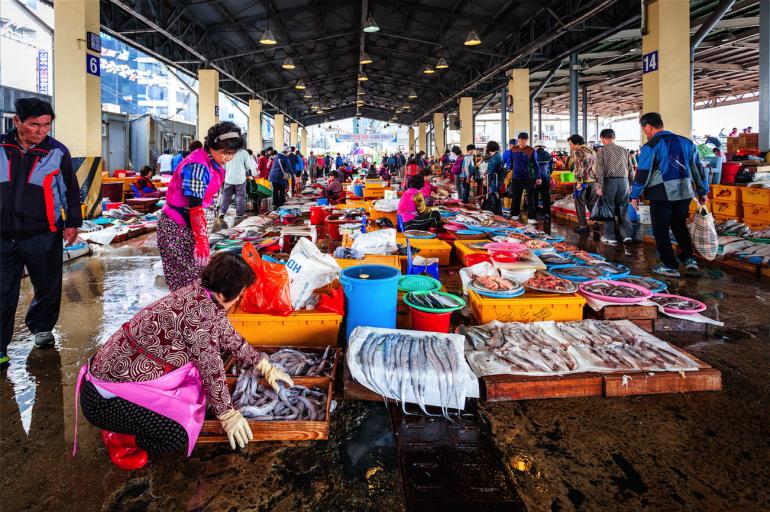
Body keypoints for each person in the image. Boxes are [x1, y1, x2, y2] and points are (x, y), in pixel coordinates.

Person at [75, 253, 294, 469]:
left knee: (196, 393)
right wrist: (227, 414)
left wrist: (262, 365)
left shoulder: (201, 293)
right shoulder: (197, 317)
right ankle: (120, 438)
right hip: (102, 400)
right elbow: (212, 368)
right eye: (239, 295)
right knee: (176, 435)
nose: (240, 299)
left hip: (113, 375)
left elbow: (225, 333)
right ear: (221, 294)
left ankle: (126, 424)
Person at [0, 97, 82, 365]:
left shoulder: (57, 152)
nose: (41, 131)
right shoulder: (1, 146)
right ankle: (0, 347)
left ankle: (42, 328)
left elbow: (70, 190)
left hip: (43, 232)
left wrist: (73, 222)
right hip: (3, 235)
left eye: (46, 125)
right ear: (17, 121)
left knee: (47, 284)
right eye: (34, 125)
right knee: (2, 291)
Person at [157, 121, 242, 292]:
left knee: (197, 278)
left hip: (191, 229)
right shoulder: (198, 166)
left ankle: (194, 314)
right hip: (178, 230)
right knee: (187, 283)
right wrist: (201, 240)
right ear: (212, 146)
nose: (228, 158)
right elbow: (195, 206)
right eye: (225, 153)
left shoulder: (212, 162)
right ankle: (188, 316)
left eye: (232, 153)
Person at [632, 112, 708, 277]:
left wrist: (634, 195)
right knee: (679, 225)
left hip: (661, 194)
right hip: (684, 192)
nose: (645, 132)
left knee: (661, 230)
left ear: (648, 127)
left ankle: (669, 265)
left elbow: (643, 172)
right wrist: (703, 191)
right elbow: (698, 169)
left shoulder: (651, 145)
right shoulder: (687, 142)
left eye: (644, 129)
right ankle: (689, 260)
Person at [595, 129, 633, 245]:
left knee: (609, 208)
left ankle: (610, 236)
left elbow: (600, 171)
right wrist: (631, 184)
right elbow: (630, 169)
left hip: (609, 182)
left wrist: (599, 186)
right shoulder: (624, 150)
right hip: (624, 182)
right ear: (613, 137)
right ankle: (627, 236)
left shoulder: (601, 152)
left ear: (603, 138)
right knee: (624, 207)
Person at [503, 133, 537, 224]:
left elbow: (535, 165)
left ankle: (531, 217)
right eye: (521, 140)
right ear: (518, 140)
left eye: (525, 140)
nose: (523, 142)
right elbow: (511, 163)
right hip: (516, 177)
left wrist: (538, 177)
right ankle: (515, 214)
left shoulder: (531, 150)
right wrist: (510, 173)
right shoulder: (513, 149)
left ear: (527, 140)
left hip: (529, 177)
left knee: (530, 198)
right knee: (516, 196)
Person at [567, 134, 597, 234]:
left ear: (577, 143)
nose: (570, 146)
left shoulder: (578, 151)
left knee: (579, 203)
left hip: (582, 182)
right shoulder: (591, 150)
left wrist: (579, 183)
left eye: (571, 144)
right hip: (593, 181)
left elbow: (579, 168)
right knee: (591, 202)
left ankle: (583, 226)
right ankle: (595, 222)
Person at [218, 147, 256, 220]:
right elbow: (248, 166)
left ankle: (222, 212)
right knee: (240, 196)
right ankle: (239, 214)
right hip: (240, 179)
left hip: (229, 178)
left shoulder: (227, 151)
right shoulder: (244, 153)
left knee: (226, 196)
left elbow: (223, 166)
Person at [532, 141, 554, 221]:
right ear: (543, 147)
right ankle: (547, 214)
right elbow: (551, 169)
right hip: (545, 179)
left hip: (535, 178)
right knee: (546, 197)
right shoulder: (548, 155)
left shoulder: (533, 154)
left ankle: (533, 215)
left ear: (536, 146)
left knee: (534, 196)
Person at [484, 140, 504, 215]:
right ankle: (497, 211)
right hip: (497, 179)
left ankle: (494, 211)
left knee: (494, 195)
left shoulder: (495, 157)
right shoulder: (496, 155)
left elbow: (491, 170)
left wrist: (487, 180)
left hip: (495, 180)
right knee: (496, 195)